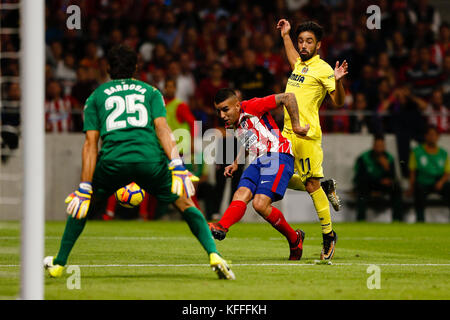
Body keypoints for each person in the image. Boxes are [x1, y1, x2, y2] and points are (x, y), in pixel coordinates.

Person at [43, 45, 235, 280]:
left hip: (113, 161)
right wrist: (176, 163)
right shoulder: (151, 92)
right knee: (186, 204)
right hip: (150, 160)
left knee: (81, 205)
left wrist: (85, 186)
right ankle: (214, 255)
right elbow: (163, 129)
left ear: (107, 69)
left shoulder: (96, 96)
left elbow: (90, 144)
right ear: (135, 68)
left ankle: (60, 263)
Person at [208, 88, 310, 260]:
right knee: (240, 194)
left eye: (225, 109)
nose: (222, 115)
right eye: (218, 111)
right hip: (258, 161)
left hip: (278, 155)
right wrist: (235, 162)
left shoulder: (253, 106)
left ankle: (294, 238)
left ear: (238, 105)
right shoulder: (231, 123)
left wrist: (296, 126)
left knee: (260, 204)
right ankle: (222, 227)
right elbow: (248, 140)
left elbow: (288, 97)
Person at [276, 19, 348, 260]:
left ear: (318, 44)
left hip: (307, 135)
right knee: (280, 176)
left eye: (309, 41)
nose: (303, 45)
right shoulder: (299, 65)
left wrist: (338, 80)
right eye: (301, 41)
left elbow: (339, 102)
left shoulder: (324, 69)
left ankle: (329, 235)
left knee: (310, 185)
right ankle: (325, 186)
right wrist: (286, 35)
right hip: (287, 133)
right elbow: (292, 58)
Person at [353, 134, 403, 221]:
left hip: (383, 186)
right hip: (369, 185)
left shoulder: (389, 158)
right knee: (362, 188)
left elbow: (392, 177)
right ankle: (360, 219)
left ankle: (397, 219)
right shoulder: (364, 158)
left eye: (381, 146)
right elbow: (360, 177)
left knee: (397, 188)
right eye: (377, 146)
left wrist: (387, 169)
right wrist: (378, 181)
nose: (379, 149)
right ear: (373, 146)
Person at [407, 125, 450, 222]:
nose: (432, 137)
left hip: (439, 181)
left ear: (438, 137)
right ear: (425, 136)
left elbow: (447, 172)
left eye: (434, 135)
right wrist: (411, 187)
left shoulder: (443, 153)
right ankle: (420, 220)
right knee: (418, 190)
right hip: (423, 181)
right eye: (430, 135)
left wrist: (441, 182)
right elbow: (412, 171)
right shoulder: (417, 151)